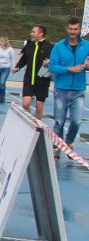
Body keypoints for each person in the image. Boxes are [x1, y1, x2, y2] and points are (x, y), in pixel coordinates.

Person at [49, 17, 89, 160]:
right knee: (59, 122)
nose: (73, 32)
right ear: (66, 29)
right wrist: (69, 69)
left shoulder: (87, 46)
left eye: (76, 29)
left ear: (79, 30)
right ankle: (57, 146)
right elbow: (52, 66)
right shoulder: (59, 46)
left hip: (78, 90)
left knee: (77, 121)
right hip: (61, 90)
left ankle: (69, 142)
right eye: (71, 29)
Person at [13, 24, 53, 120]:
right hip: (29, 79)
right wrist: (17, 67)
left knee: (39, 107)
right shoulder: (29, 45)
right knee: (25, 103)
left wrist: (49, 63)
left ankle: (37, 126)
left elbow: (55, 60)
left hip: (42, 81)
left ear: (41, 34)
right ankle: (29, 120)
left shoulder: (49, 46)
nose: (31, 34)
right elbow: (24, 59)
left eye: (33, 32)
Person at [0, 36, 16, 103]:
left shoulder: (10, 49)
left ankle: (3, 97)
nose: (0, 42)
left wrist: (13, 68)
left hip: (5, 68)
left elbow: (12, 59)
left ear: (5, 41)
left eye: (2, 41)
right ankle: (0, 97)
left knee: (2, 82)